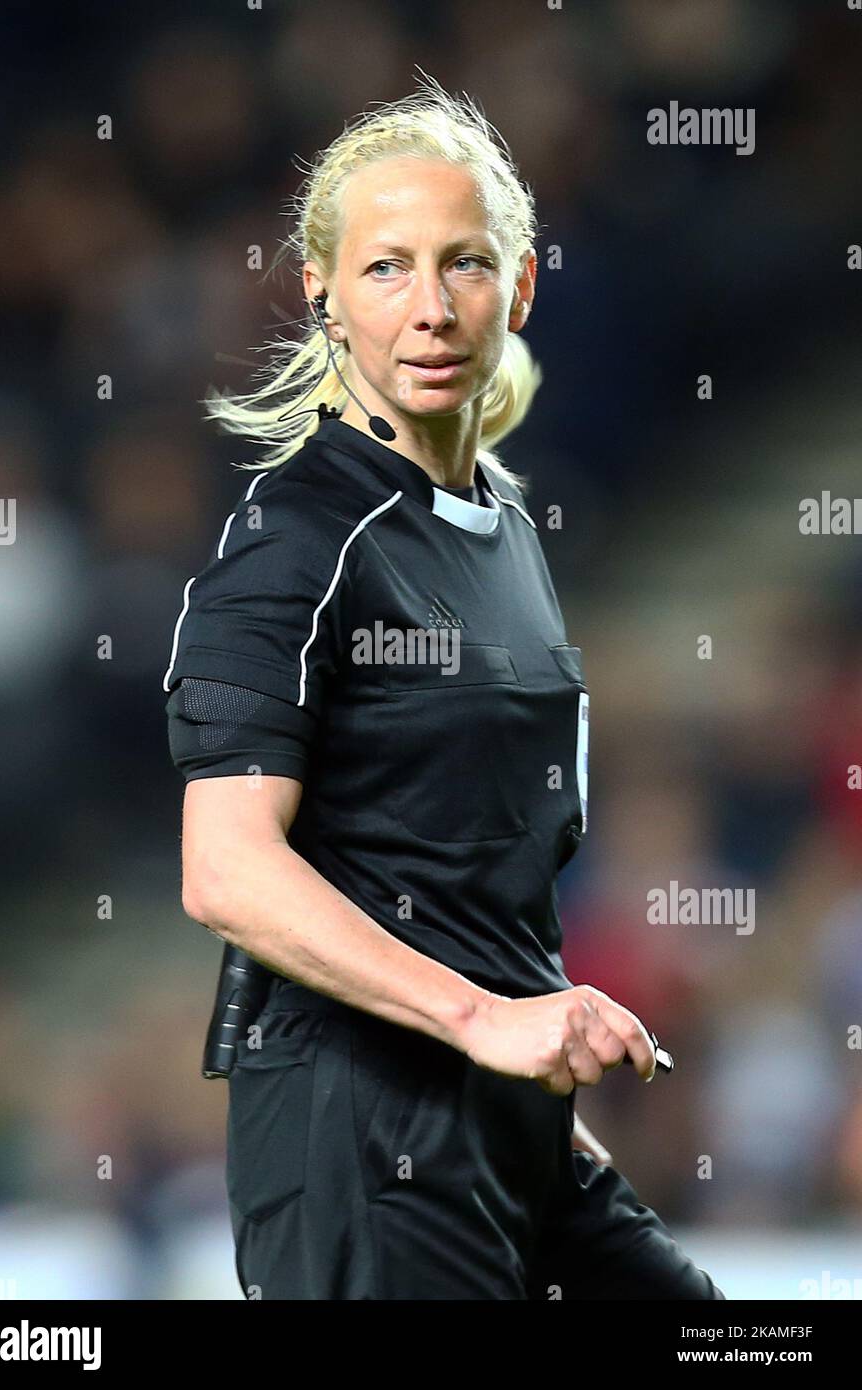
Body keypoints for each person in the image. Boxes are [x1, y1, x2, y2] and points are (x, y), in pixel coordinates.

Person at [163, 75, 725, 1301]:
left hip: (512, 1131)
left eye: (464, 263)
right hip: (359, 1139)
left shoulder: (504, 529)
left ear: (519, 287)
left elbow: (469, 863)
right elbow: (226, 866)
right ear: (321, 291)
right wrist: (482, 1020)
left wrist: (531, 1080)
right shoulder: (296, 539)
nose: (430, 307)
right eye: (386, 269)